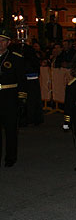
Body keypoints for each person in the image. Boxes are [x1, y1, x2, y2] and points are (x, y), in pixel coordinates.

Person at [0, 29, 27, 167]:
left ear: (8, 42)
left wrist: (22, 98)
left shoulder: (15, 58)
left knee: (11, 129)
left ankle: (10, 157)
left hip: (9, 97)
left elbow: (22, 80)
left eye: (3, 41)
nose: (0, 43)